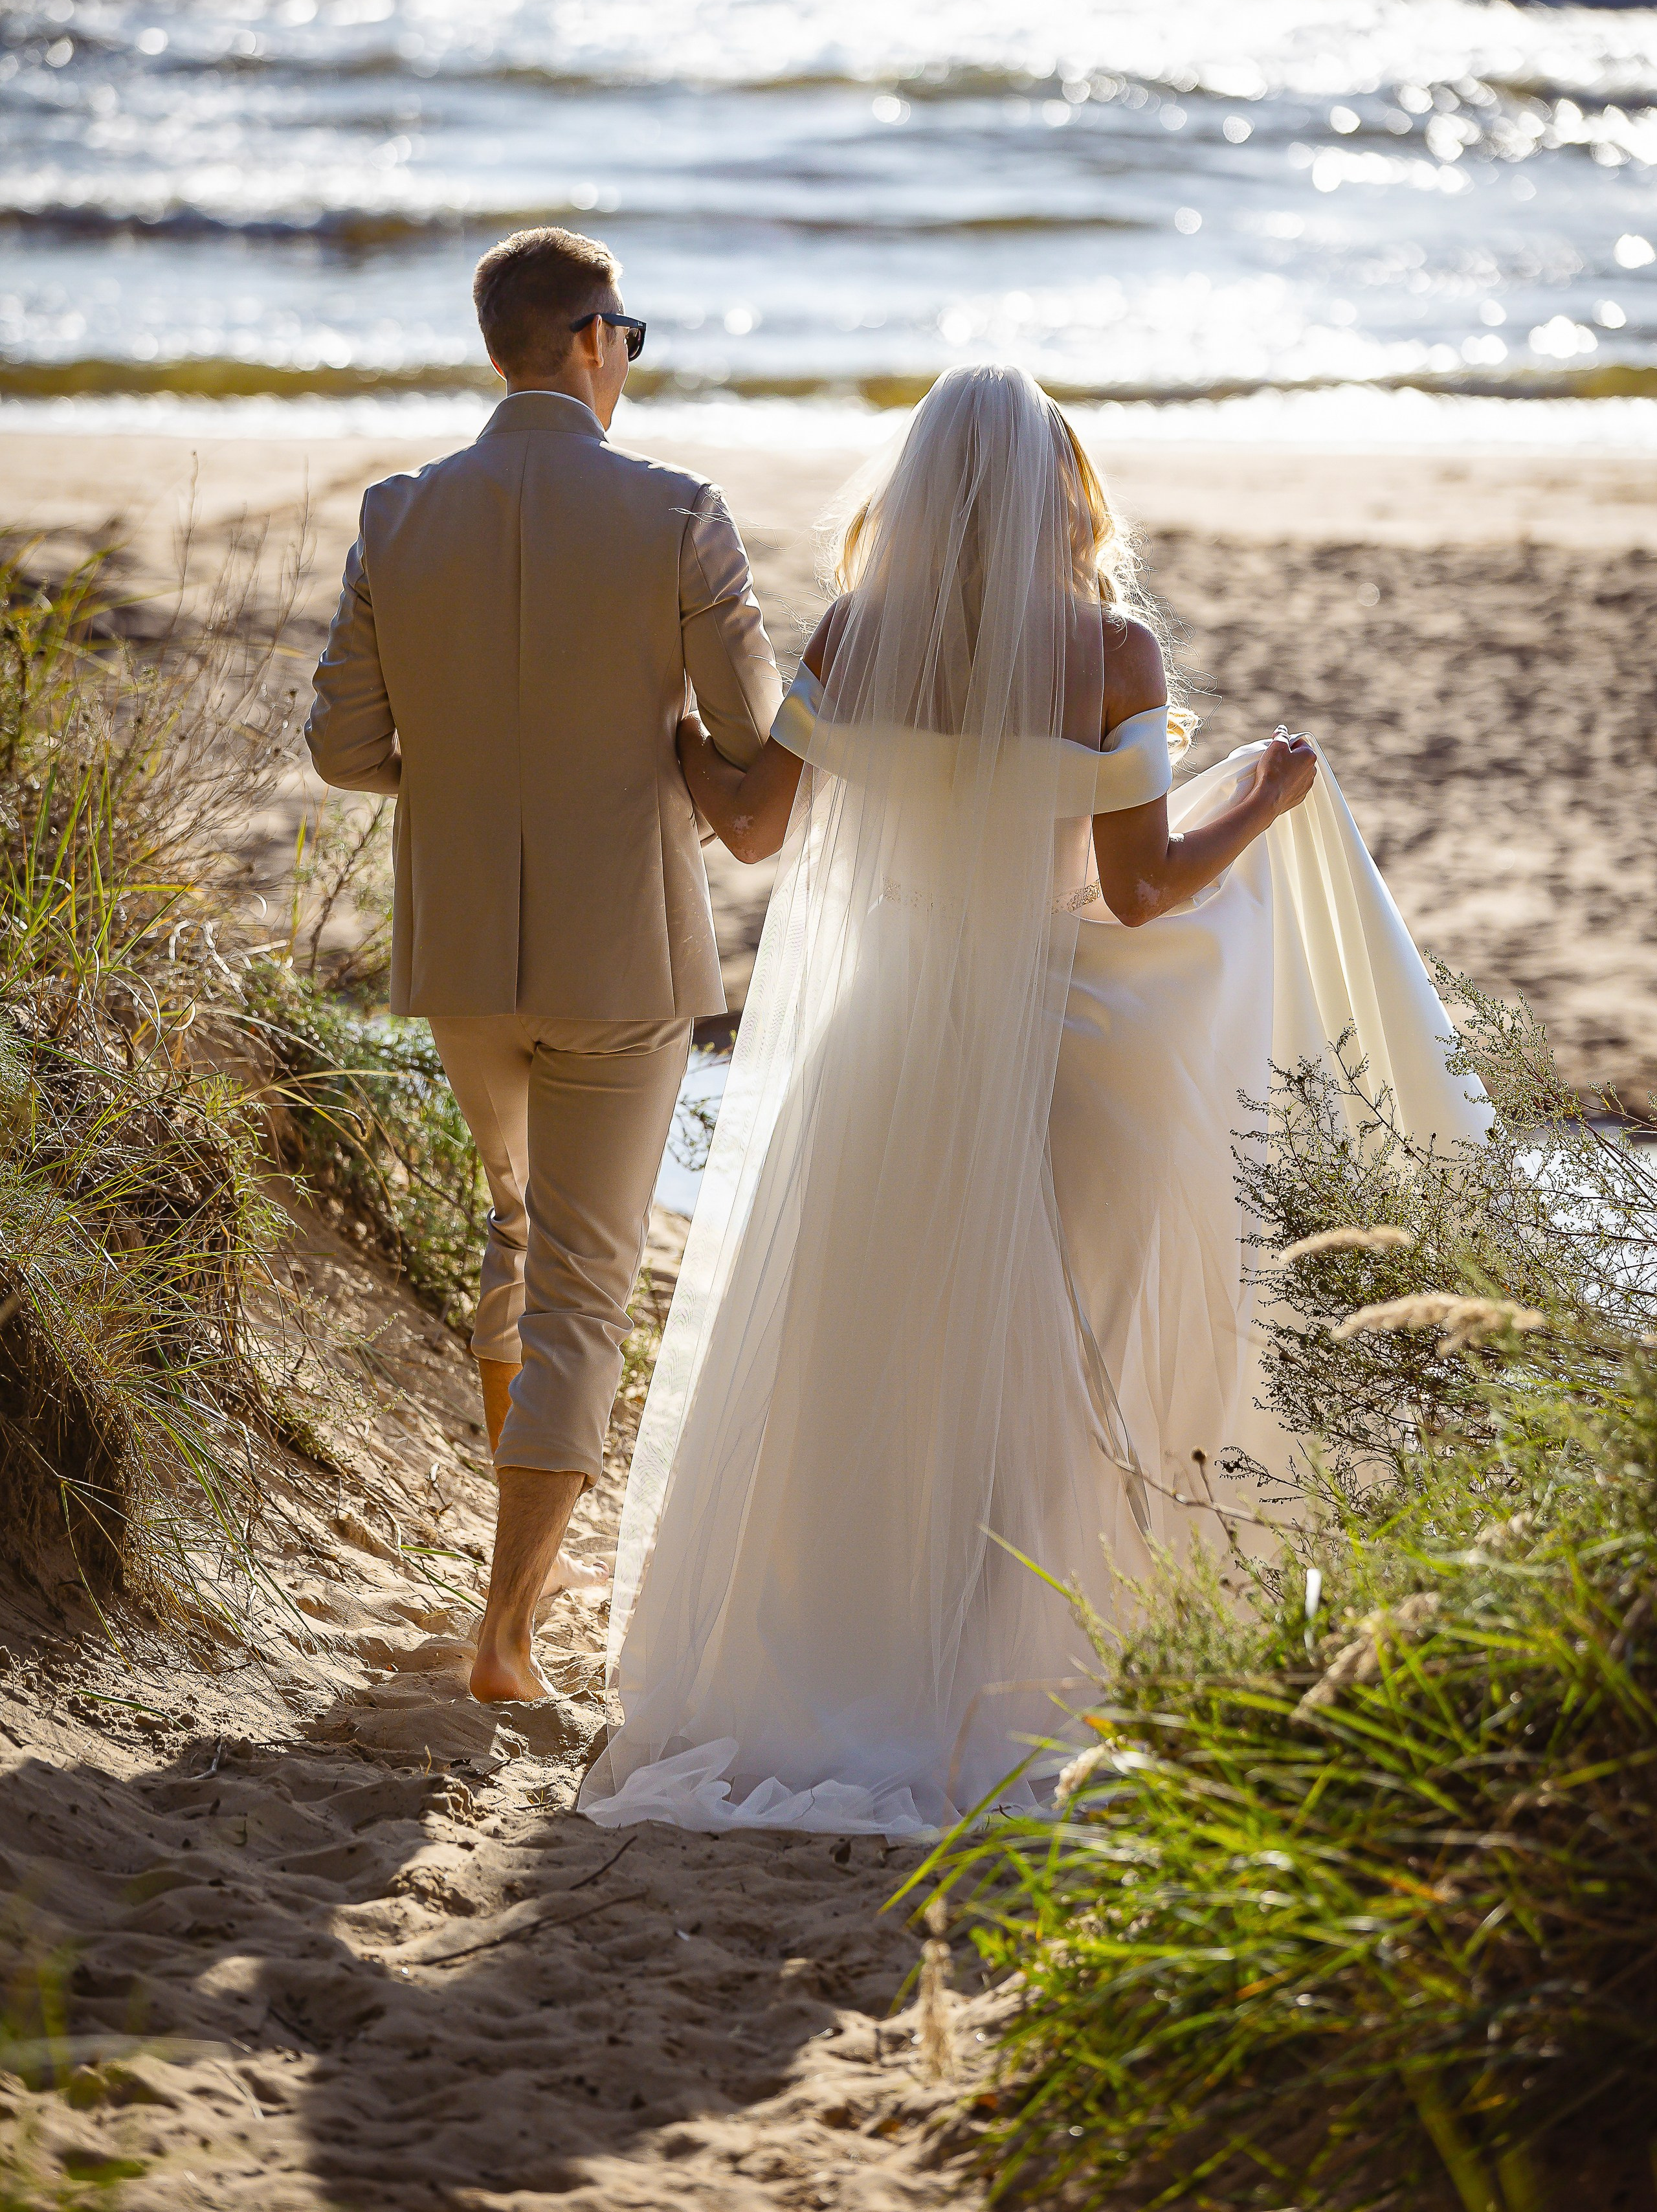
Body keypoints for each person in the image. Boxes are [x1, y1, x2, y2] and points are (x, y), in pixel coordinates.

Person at [579, 362, 1489, 1839]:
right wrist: (1261, 800)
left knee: (885, 1371)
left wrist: (673, 733)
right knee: (1059, 1377)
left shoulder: (857, 635)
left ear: (924, 488)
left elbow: (749, 829)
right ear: (1062, 489)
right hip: (1066, 1056)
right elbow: (1143, 890)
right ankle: (1017, 1675)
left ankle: (863, 1652)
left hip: (885, 1051)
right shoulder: (1113, 651)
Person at [304, 226, 782, 1705]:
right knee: (583, 1286)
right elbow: (751, 734)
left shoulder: (398, 512)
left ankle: (529, 1568)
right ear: (588, 339)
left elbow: (342, 749)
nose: (626, 358)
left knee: (516, 1232)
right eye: (626, 334)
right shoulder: (676, 510)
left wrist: (472, 783)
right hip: (619, 956)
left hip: (461, 957)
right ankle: (507, 1630)